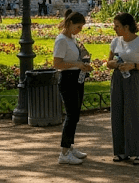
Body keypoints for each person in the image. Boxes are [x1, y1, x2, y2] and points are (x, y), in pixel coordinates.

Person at [107, 12, 139, 165]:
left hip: (132, 78)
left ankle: (137, 152)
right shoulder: (115, 42)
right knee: (117, 113)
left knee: (133, 114)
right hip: (118, 78)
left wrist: (133, 65)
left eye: (117, 26)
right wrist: (113, 64)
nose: (115, 29)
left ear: (126, 27)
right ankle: (121, 151)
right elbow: (108, 62)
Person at [53, 10, 93, 164]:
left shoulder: (72, 39)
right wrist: (77, 64)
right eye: (78, 27)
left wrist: (83, 64)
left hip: (77, 77)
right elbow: (57, 64)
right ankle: (63, 152)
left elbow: (75, 58)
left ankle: (69, 147)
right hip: (68, 79)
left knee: (75, 116)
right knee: (71, 116)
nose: (79, 30)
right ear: (70, 24)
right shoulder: (61, 40)